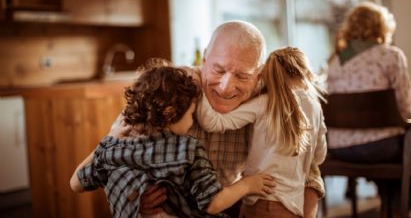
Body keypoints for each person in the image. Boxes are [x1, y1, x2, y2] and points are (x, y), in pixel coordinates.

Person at [109, 20, 325, 218]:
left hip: (228, 204)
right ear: (204, 59)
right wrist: (135, 197)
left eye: (242, 76)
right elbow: (113, 154)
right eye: (218, 70)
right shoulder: (171, 89)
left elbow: (308, 167)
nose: (225, 87)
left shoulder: (268, 102)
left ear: (259, 76)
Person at [70, 64, 276, 218]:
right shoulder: (187, 150)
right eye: (191, 114)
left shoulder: (114, 149)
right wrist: (248, 185)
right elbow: (212, 203)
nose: (192, 121)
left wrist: (109, 140)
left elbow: (76, 183)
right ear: (170, 113)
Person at [197, 47, 327, 217]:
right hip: (291, 207)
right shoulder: (316, 107)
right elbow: (319, 157)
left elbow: (212, 122)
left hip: (257, 200)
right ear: (306, 72)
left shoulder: (264, 103)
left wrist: (200, 85)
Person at [326, 2, 411, 217]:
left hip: (340, 149)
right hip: (380, 149)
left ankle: (388, 208)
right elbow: (406, 110)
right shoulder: (390, 56)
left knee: (398, 143)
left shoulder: (335, 63)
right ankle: (398, 211)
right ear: (382, 28)